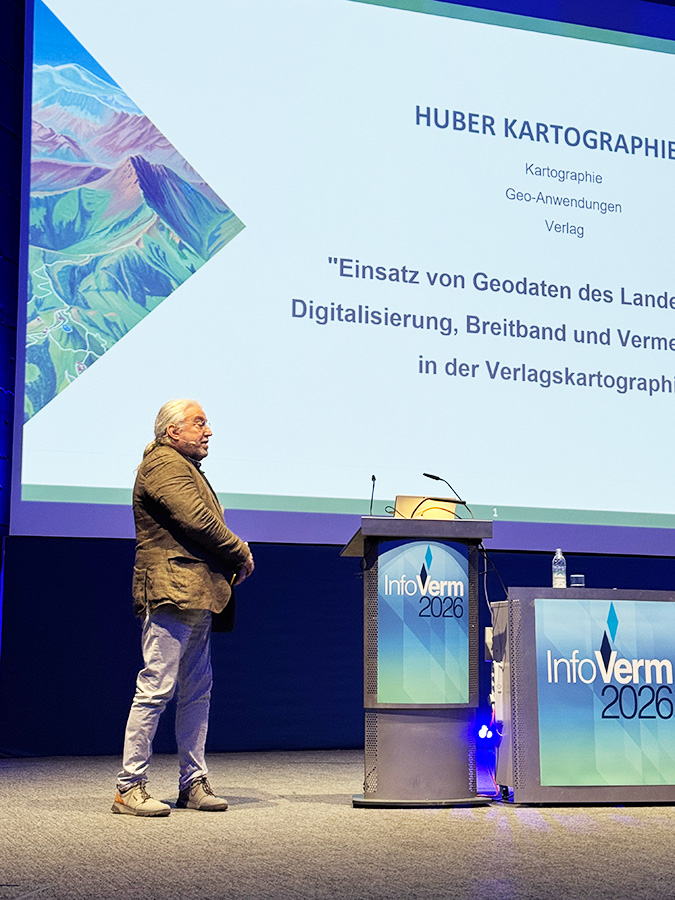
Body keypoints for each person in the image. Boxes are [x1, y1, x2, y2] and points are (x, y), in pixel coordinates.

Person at [112, 399, 254, 817]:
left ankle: (192, 782)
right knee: (156, 689)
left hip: (195, 591)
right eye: (199, 423)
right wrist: (241, 551)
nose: (208, 431)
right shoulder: (163, 464)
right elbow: (197, 521)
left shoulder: (184, 466)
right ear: (172, 431)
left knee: (196, 693)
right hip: (171, 590)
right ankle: (129, 786)